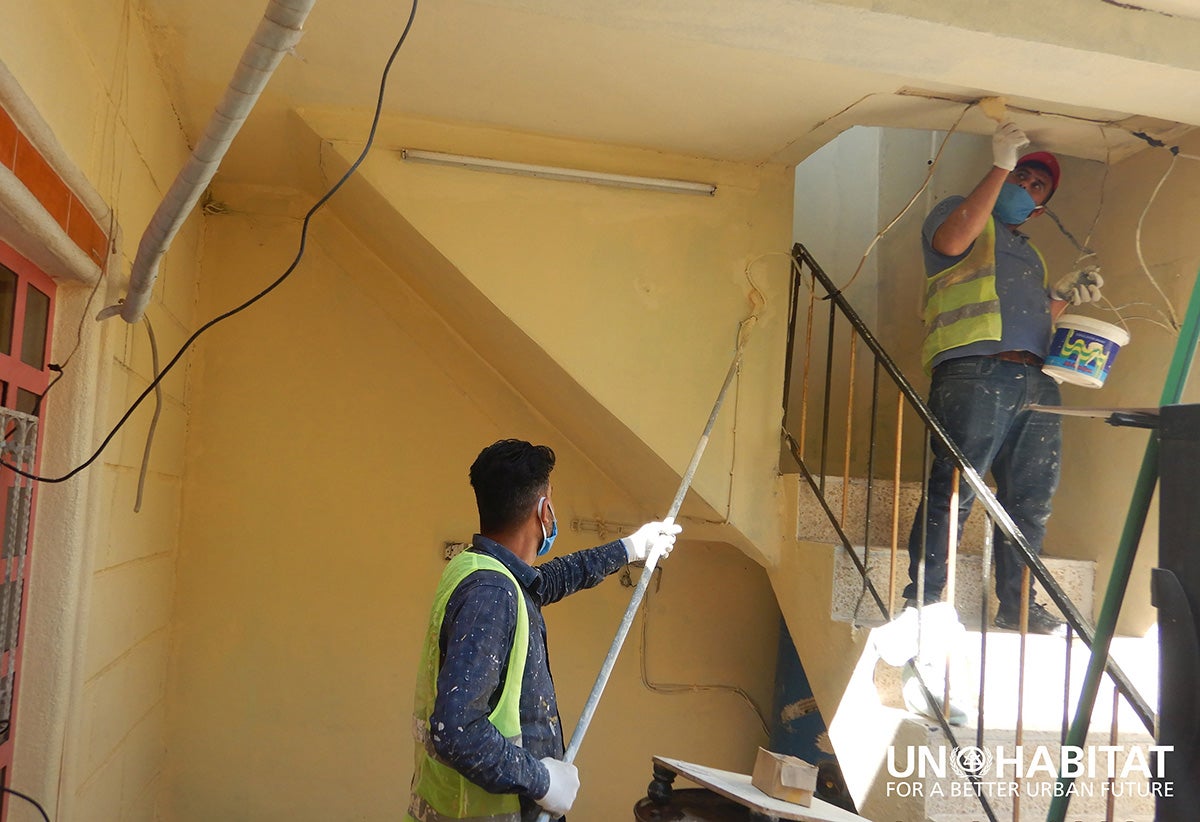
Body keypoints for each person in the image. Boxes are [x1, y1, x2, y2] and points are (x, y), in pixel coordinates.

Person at [407, 438, 681, 821]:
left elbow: (545, 581)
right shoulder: (492, 593)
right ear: (543, 510)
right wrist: (540, 780)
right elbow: (456, 729)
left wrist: (631, 548)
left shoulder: (479, 568)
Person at [902, 121, 1103, 636]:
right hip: (973, 372)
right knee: (955, 489)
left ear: (1039, 209)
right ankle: (923, 603)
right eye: (1025, 176)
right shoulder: (958, 212)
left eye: (1037, 187)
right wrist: (1000, 164)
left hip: (1035, 380)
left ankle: (1017, 606)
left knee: (1031, 501)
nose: (1027, 187)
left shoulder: (1030, 252)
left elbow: (1032, 320)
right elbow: (952, 241)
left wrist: (1060, 296)